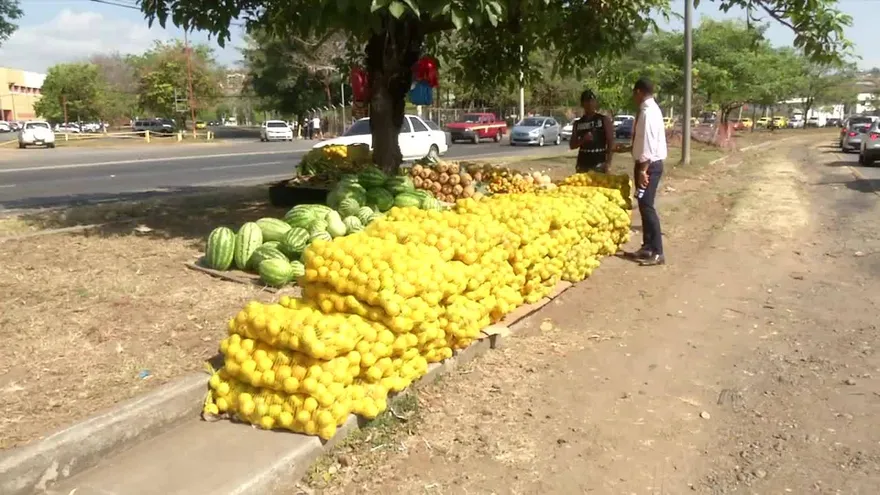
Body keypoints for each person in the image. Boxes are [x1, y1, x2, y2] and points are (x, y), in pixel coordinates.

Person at [631, 77, 667, 266]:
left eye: (633, 93)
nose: (633, 97)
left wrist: (643, 170)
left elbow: (648, 143)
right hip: (646, 164)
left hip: (649, 166)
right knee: (644, 205)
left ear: (639, 92)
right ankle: (647, 247)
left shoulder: (648, 112)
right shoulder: (650, 110)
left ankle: (658, 252)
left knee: (647, 205)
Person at [570, 89, 614, 173]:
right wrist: (583, 140)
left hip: (599, 163)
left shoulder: (603, 120)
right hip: (582, 164)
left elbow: (610, 141)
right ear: (582, 104)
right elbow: (572, 145)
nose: (590, 104)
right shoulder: (578, 123)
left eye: (592, 101)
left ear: (596, 103)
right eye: (587, 101)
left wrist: (608, 163)